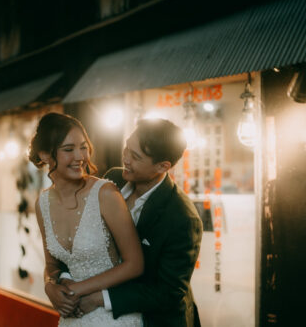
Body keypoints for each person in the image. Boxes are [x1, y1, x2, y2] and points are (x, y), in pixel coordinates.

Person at [61, 118, 204, 326]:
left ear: (163, 166)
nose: (125, 158)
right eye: (127, 147)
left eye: (135, 156)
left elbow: (168, 292)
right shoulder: (113, 180)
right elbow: (82, 232)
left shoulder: (182, 217)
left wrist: (101, 298)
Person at [29, 112, 144, 326]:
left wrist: (76, 289)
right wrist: (49, 286)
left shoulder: (105, 193)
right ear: (45, 155)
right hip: (72, 318)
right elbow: (52, 265)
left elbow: (135, 264)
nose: (80, 156)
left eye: (83, 146)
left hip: (113, 316)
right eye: (68, 150)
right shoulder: (42, 204)